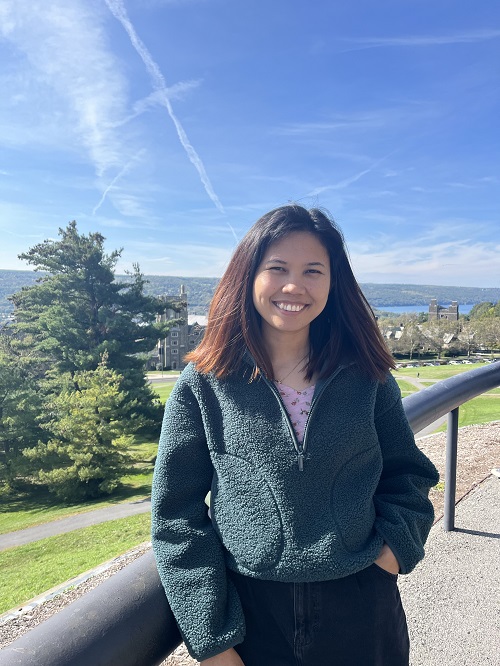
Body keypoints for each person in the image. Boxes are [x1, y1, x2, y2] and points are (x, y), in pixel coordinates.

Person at [151, 205, 439, 666]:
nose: (294, 286)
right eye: (277, 268)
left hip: (362, 609)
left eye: (312, 271)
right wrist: (213, 642)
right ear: (248, 276)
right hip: (252, 618)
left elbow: (409, 474)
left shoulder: (368, 377)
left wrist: (391, 555)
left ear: (333, 282)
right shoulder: (204, 384)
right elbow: (176, 519)